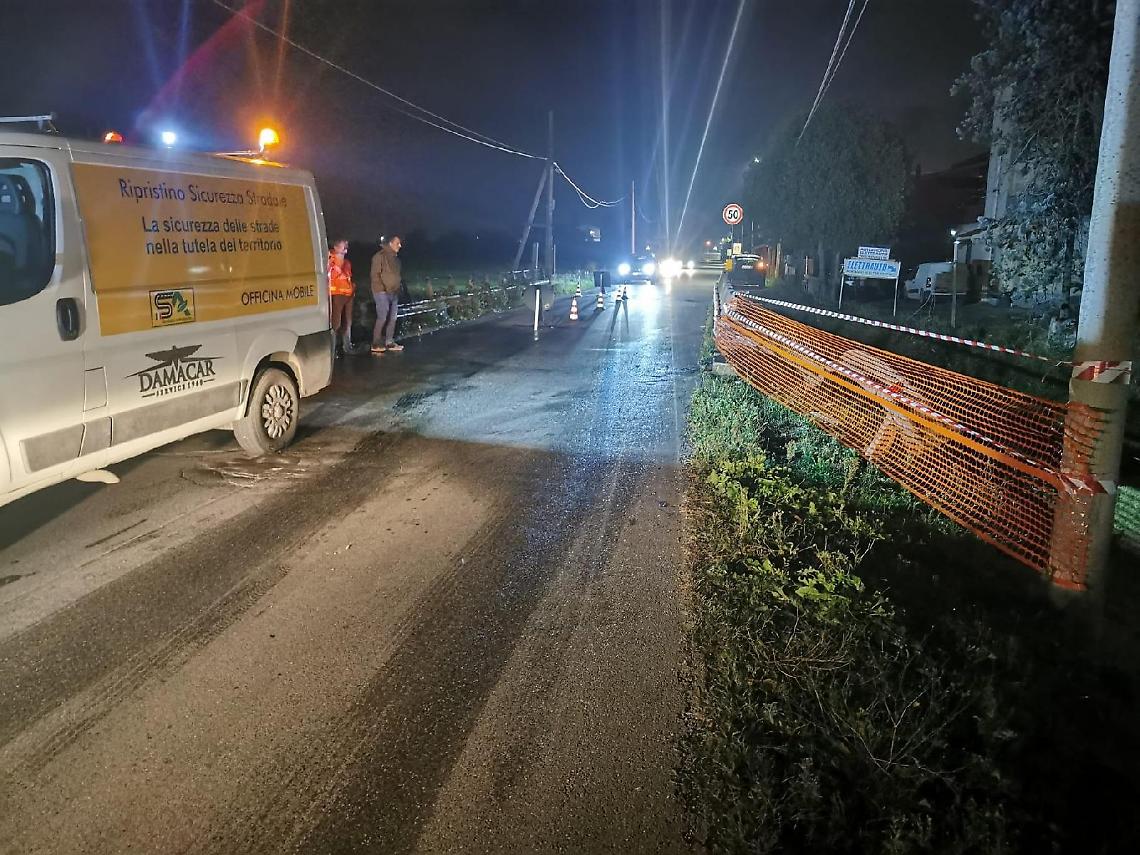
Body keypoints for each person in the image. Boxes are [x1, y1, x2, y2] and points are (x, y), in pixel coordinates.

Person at [370, 234, 404, 353]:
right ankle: (376, 343)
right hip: (382, 292)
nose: (400, 245)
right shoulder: (379, 257)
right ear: (390, 243)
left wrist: (398, 288)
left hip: (394, 292)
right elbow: (375, 275)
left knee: (393, 318)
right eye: (397, 243)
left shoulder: (396, 259)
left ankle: (389, 342)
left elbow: (396, 275)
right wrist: (382, 290)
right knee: (382, 317)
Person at [327, 238, 354, 358]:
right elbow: (334, 275)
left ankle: (346, 347)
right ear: (336, 247)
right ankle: (333, 350)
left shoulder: (346, 262)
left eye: (347, 245)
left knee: (347, 322)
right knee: (336, 323)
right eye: (344, 245)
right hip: (336, 295)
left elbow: (347, 277)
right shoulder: (330, 260)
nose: (346, 247)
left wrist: (352, 287)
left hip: (348, 295)